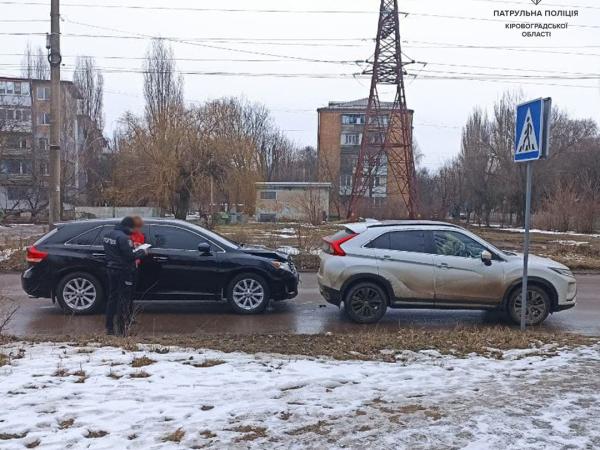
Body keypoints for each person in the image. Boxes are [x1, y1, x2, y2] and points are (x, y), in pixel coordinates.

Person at [103, 217, 147, 336]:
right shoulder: (124, 238)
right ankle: (122, 329)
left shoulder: (108, 235)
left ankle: (109, 326)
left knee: (112, 297)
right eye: (133, 228)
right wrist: (142, 252)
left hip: (111, 269)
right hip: (124, 271)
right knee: (123, 300)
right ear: (128, 227)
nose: (134, 231)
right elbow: (130, 256)